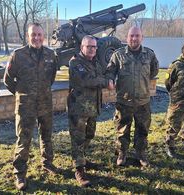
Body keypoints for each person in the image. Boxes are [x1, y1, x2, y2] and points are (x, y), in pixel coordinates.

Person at [3, 23, 58, 190]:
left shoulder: (50, 54)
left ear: (44, 36)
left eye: (40, 35)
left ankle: (47, 162)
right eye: (33, 34)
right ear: (28, 36)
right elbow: (8, 80)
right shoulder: (18, 55)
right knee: (24, 140)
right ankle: (20, 173)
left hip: (45, 103)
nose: (37, 38)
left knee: (46, 136)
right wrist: (22, 94)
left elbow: (52, 77)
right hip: (25, 106)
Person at [105, 26, 159, 167]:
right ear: (127, 38)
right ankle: (122, 153)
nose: (134, 38)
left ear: (142, 37)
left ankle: (141, 153)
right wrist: (110, 80)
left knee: (142, 129)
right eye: (131, 36)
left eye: (137, 36)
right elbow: (110, 71)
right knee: (122, 129)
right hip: (124, 100)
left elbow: (153, 72)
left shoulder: (150, 55)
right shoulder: (118, 54)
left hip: (143, 101)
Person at [68, 35, 114, 187]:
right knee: (78, 139)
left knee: (90, 134)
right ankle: (79, 169)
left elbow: (104, 73)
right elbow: (86, 80)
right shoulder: (75, 63)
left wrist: (109, 78)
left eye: (94, 47)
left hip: (93, 107)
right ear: (82, 47)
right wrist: (106, 82)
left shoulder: (96, 63)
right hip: (79, 109)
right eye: (89, 46)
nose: (92, 49)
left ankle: (82, 159)